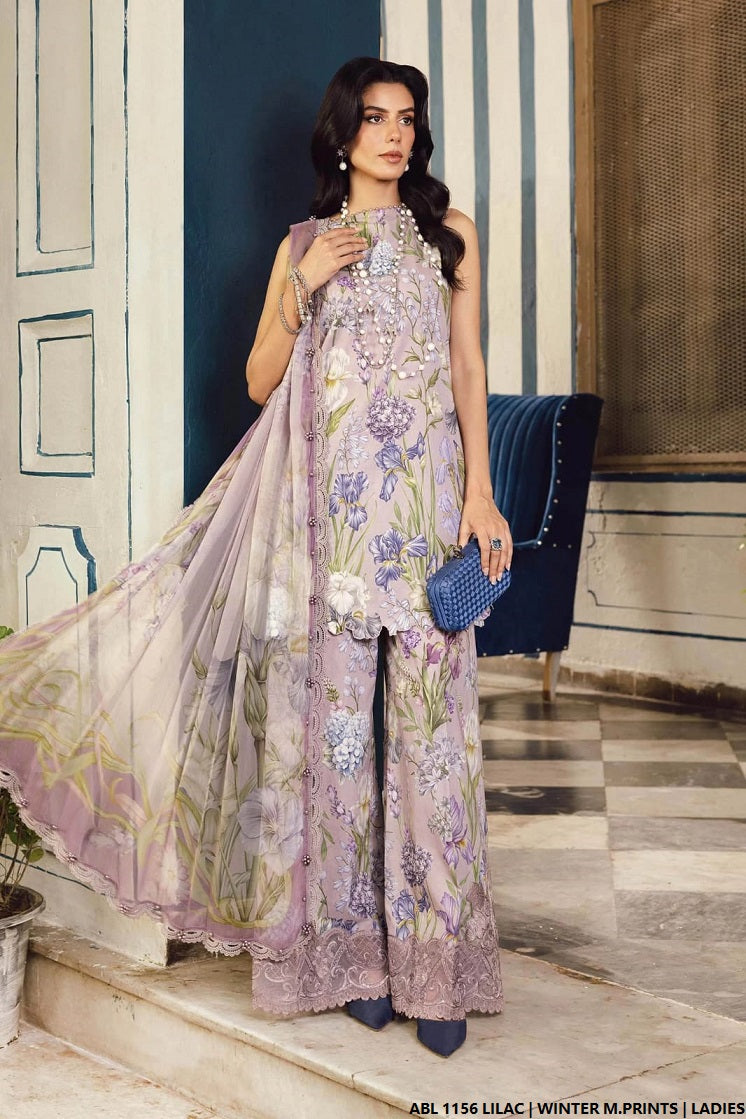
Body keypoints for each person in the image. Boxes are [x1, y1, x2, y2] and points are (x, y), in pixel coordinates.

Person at [0, 58, 512, 1058]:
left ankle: (437, 969)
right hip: (329, 529)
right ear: (341, 135)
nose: (394, 135)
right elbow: (258, 379)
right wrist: (302, 290)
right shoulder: (303, 246)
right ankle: (351, 960)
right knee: (336, 749)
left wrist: (481, 493)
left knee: (430, 743)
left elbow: (466, 366)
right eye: (375, 118)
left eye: (407, 119)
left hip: (426, 522)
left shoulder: (448, 235)